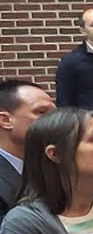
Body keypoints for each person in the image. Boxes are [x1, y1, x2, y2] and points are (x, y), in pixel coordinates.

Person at [0, 78, 56, 209]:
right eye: (42, 112)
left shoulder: (53, 167)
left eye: (55, 113)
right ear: (5, 120)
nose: (55, 120)